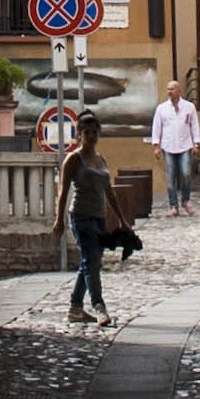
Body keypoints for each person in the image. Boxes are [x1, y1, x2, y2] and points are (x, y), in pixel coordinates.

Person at [53, 129, 118, 325]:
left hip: (99, 217)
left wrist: (122, 220)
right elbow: (63, 191)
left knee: (91, 262)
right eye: (86, 130)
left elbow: (109, 191)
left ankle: (75, 308)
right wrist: (59, 220)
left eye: (94, 129)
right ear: (80, 134)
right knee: (92, 261)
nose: (91, 135)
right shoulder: (73, 159)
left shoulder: (101, 159)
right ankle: (99, 306)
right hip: (81, 216)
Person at [150, 78, 200, 215]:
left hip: (185, 145)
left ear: (179, 91)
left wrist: (197, 143)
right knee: (170, 177)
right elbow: (156, 127)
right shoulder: (161, 108)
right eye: (168, 89)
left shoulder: (189, 107)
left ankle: (185, 200)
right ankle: (173, 205)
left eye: (172, 89)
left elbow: (194, 125)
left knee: (186, 173)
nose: (169, 92)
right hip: (168, 145)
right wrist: (156, 146)